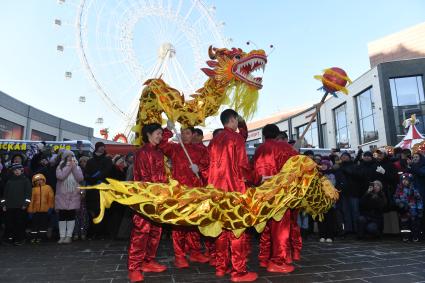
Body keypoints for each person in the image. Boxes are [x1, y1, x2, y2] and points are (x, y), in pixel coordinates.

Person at [208, 109, 257, 282]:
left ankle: (221, 267)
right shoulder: (236, 139)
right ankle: (239, 271)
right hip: (234, 190)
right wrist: (256, 178)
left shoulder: (214, 141)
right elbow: (243, 166)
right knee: (237, 230)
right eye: (237, 120)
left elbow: (208, 166)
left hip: (216, 192)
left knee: (221, 230)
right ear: (234, 120)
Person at [159, 124, 209, 268]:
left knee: (194, 223)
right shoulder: (175, 148)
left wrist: (199, 169)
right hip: (180, 192)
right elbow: (162, 144)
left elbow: (208, 167)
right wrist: (168, 129)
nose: (184, 135)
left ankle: (195, 252)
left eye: (187, 132)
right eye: (182, 132)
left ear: (193, 134)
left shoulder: (201, 150)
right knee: (179, 225)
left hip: (196, 192)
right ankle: (179, 256)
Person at [253, 124, 298, 273]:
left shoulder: (259, 149)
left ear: (264, 135)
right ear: (278, 134)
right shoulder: (284, 148)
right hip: (279, 194)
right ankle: (278, 261)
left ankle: (264, 258)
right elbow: (296, 168)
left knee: (265, 227)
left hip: (262, 193)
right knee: (280, 229)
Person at [128, 123, 167, 283]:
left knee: (156, 231)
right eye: (158, 133)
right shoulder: (143, 152)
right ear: (149, 134)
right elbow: (144, 178)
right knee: (141, 232)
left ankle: (148, 261)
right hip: (145, 199)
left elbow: (162, 176)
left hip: (158, 199)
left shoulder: (158, 153)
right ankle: (134, 268)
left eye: (161, 133)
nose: (160, 136)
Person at [84, 142, 113, 239]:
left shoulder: (107, 160)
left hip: (103, 188)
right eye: (100, 147)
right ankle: (92, 232)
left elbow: (107, 172)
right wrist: (91, 179)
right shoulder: (90, 161)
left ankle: (102, 233)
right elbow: (86, 173)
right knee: (92, 211)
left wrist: (97, 177)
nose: (102, 149)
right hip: (92, 190)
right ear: (96, 148)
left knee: (103, 210)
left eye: (103, 147)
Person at [55, 151, 84, 244]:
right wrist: (69, 167)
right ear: (64, 157)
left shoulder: (77, 167)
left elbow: (80, 178)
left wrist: (74, 167)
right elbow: (61, 176)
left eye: (72, 156)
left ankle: (69, 236)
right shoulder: (59, 167)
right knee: (62, 216)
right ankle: (62, 236)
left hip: (73, 195)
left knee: (71, 216)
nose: (70, 157)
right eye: (68, 156)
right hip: (62, 195)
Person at [1, 163, 32, 245]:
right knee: (10, 224)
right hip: (10, 207)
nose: (17, 171)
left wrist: (25, 204)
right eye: (15, 170)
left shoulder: (26, 180)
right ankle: (11, 239)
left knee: (20, 224)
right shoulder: (9, 181)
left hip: (21, 207)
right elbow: (5, 195)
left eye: (18, 170)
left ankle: (20, 239)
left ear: (22, 170)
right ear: (13, 171)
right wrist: (3, 205)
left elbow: (28, 195)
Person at [394, 173, 423, 242]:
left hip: (413, 209)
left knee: (414, 224)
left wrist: (420, 209)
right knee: (404, 224)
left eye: (406, 180)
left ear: (410, 181)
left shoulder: (413, 189)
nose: (404, 181)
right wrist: (398, 202)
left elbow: (419, 199)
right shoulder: (399, 188)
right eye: (403, 180)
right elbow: (396, 197)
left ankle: (415, 236)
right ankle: (405, 236)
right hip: (404, 209)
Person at [27, 174, 54, 243]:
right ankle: (33, 237)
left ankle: (42, 237)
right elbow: (31, 200)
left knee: (43, 225)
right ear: (34, 182)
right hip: (35, 211)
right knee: (34, 225)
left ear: (43, 180)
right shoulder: (33, 189)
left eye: (40, 180)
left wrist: (50, 208)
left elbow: (51, 198)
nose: (39, 181)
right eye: (37, 180)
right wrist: (30, 211)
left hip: (45, 210)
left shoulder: (48, 187)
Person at [318, 159, 337, 243]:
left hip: (329, 200)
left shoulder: (331, 175)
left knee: (330, 219)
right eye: (322, 164)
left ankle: (330, 236)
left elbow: (332, 185)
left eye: (325, 164)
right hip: (320, 200)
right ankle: (322, 235)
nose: (323, 166)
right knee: (321, 219)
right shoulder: (318, 174)